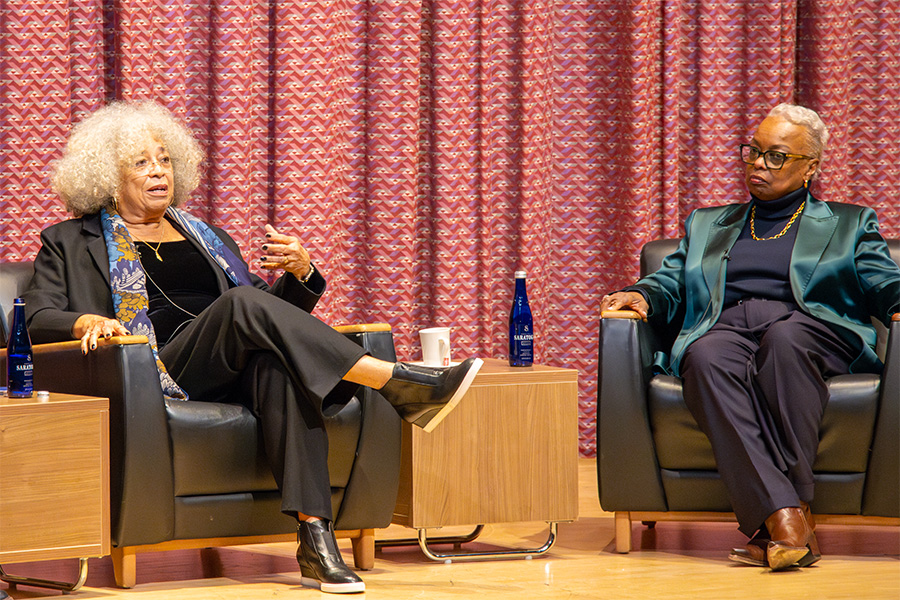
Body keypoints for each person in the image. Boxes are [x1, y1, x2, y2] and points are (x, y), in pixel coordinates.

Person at [22, 100, 483, 594]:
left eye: (165, 159)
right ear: (108, 178)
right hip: (155, 368)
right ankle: (396, 382)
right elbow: (34, 315)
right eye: (141, 162)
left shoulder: (205, 237)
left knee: (278, 367)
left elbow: (268, 314)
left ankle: (315, 539)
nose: (159, 171)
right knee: (241, 305)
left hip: (229, 360)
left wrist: (302, 275)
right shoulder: (68, 241)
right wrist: (86, 320)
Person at [599, 103, 900, 570]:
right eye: (753, 152)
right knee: (704, 355)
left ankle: (783, 515)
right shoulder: (708, 223)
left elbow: (882, 281)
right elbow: (671, 279)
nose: (759, 164)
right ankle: (789, 517)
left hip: (812, 326)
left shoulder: (849, 223)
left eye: (776, 157)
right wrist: (641, 295)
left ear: (810, 167)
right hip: (728, 326)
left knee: (785, 342)